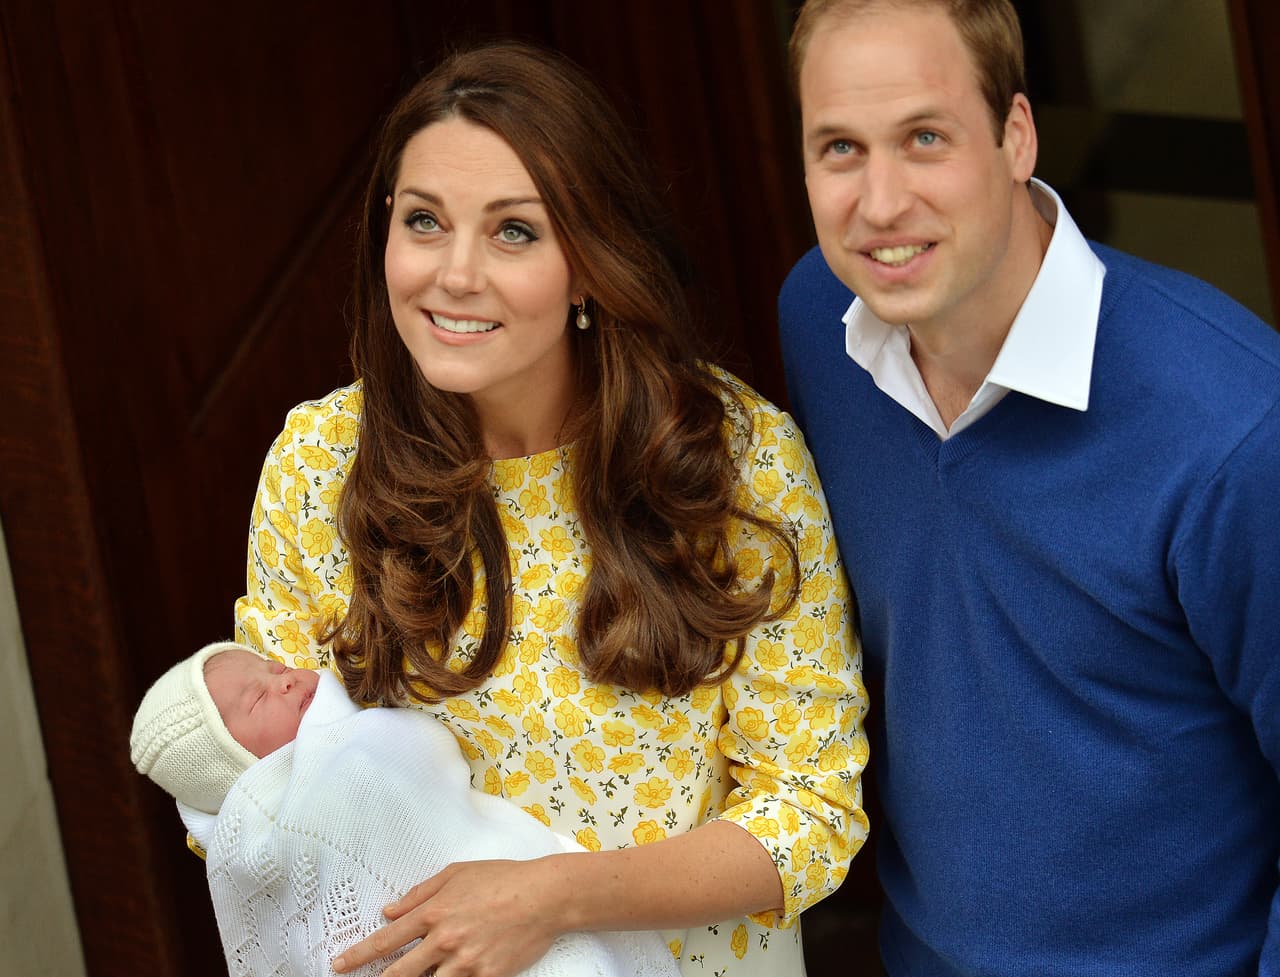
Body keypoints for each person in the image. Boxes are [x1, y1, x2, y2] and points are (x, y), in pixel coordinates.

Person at [231, 40, 867, 977]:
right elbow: (253, 795)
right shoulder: (321, 466)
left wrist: (547, 896)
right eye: (423, 222)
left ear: (590, 264)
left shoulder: (732, 460)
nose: (454, 274)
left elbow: (809, 813)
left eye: (513, 231)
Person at [778, 1, 1280, 975]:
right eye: (839, 149)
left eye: (924, 138)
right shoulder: (817, 317)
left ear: (1014, 135)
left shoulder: (1229, 428)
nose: (879, 203)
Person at [129, 642, 680, 977]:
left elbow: (422, 768)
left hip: (523, 914)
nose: (288, 679)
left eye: (273, 669)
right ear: (235, 765)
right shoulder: (286, 823)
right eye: (257, 698)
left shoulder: (351, 740)